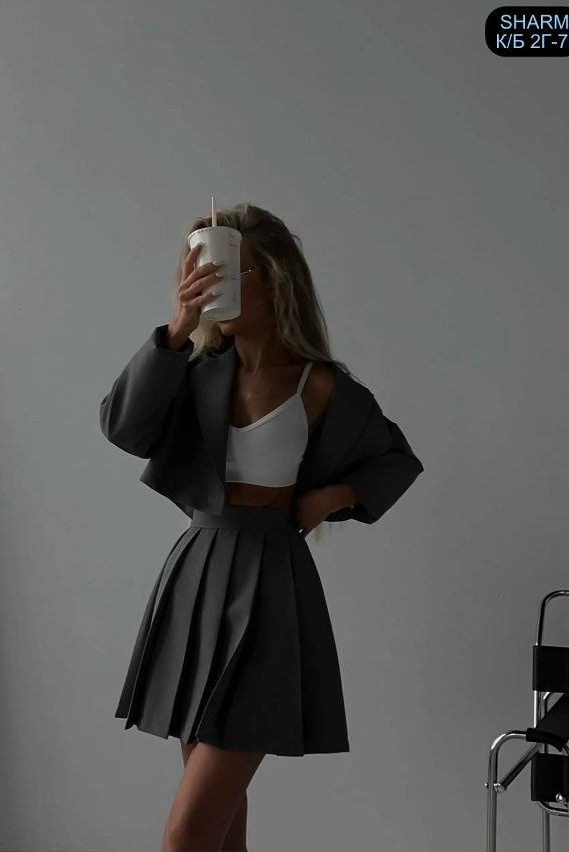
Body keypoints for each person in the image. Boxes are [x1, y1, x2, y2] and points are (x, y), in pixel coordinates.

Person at [99, 203, 424, 852]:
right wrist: (177, 328)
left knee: (188, 834)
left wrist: (333, 496)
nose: (209, 286)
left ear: (274, 279)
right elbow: (124, 427)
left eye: (227, 272)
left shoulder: (321, 387)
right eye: (199, 272)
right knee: (221, 836)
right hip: (196, 578)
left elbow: (396, 460)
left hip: (270, 588)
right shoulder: (194, 374)